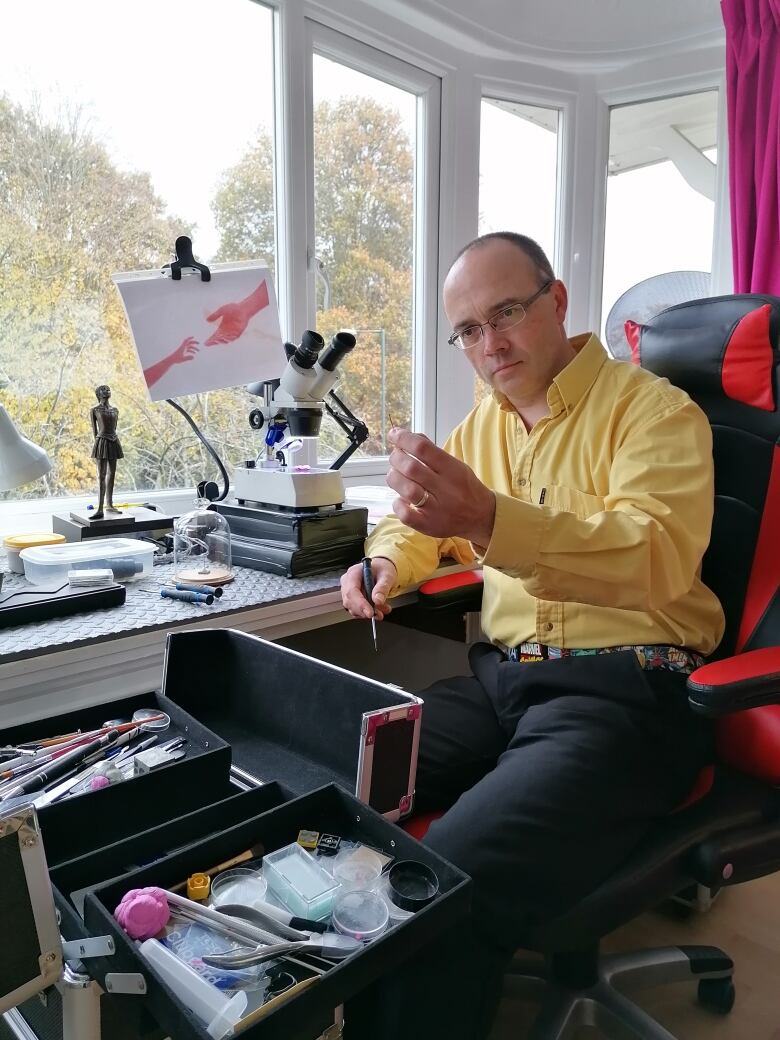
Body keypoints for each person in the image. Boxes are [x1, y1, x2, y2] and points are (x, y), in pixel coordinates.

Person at [340, 231, 725, 1039]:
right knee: (345, 773)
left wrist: (487, 519)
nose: (491, 344)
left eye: (506, 312)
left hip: (627, 692)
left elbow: (654, 553)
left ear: (555, 302)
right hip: (505, 681)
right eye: (469, 330)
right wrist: (383, 561)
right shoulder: (483, 429)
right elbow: (422, 531)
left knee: (450, 873)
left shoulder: (654, 411)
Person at [90, 384, 124, 520]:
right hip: (102, 441)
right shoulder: (94, 410)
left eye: (108, 389)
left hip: (114, 440)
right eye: (103, 390)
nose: (107, 391)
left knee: (112, 473)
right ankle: (99, 508)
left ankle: (109, 504)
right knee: (102, 475)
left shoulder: (115, 410)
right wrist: (98, 445)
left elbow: (114, 427)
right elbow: (95, 431)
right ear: (98, 394)